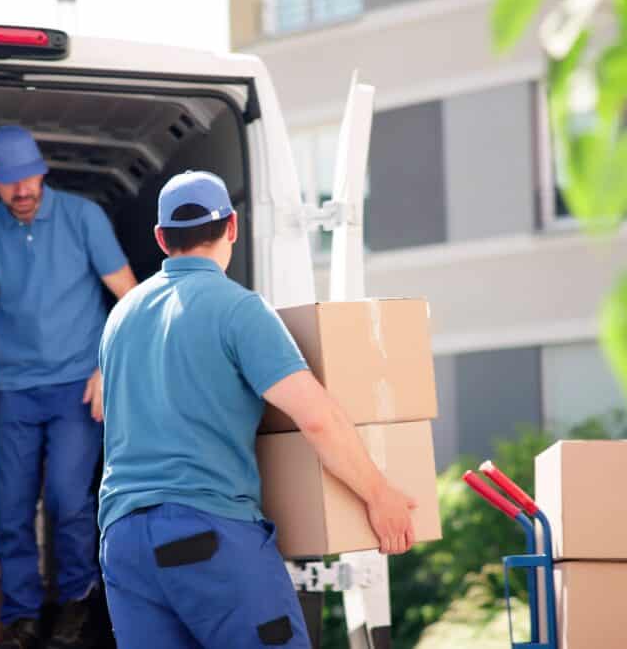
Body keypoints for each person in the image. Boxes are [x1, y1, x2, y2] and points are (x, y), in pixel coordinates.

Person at [97, 170, 417, 648]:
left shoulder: (120, 318)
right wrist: (379, 494)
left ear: (162, 238)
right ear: (231, 227)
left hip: (123, 545)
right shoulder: (239, 310)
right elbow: (315, 417)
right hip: (205, 530)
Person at [0, 125, 137, 649]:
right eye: (10, 183)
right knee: (11, 508)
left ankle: (76, 600)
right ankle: (22, 617)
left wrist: (109, 367)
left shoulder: (83, 218)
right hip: (16, 390)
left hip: (78, 386)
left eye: (30, 179)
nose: (23, 191)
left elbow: (129, 297)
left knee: (66, 498)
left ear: (42, 171)